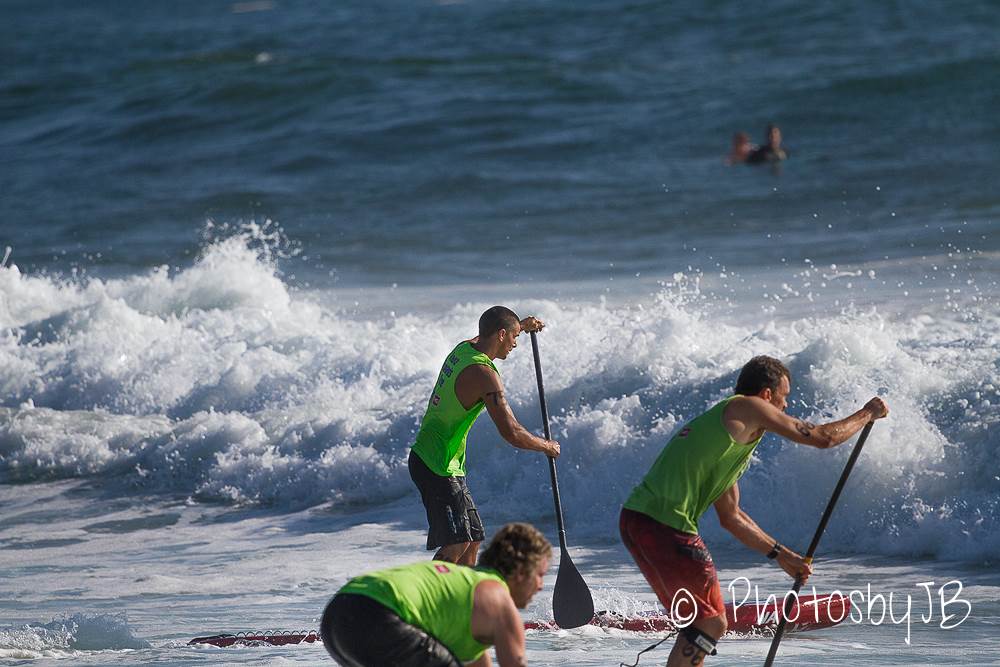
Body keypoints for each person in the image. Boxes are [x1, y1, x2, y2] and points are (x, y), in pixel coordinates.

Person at [619, 355, 888, 665]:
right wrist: (868, 413)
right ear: (766, 394)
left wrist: (784, 557)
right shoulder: (748, 406)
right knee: (710, 623)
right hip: (665, 525)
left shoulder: (726, 439)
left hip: (636, 520)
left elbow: (731, 517)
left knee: (700, 621)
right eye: (784, 397)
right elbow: (823, 438)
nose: (786, 407)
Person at [409, 306, 560, 566]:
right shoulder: (484, 375)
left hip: (441, 462)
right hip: (435, 464)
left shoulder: (463, 349)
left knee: (472, 540)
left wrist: (521, 326)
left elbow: (486, 335)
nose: (515, 344)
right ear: (502, 334)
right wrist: (546, 446)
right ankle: (424, 601)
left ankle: (463, 603)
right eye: (514, 337)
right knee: (458, 541)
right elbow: (511, 432)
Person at [321, 522, 551, 667]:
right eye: (540, 575)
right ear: (521, 573)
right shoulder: (499, 599)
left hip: (338, 616)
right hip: (379, 615)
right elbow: (516, 662)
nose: (541, 585)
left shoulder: (464, 586)